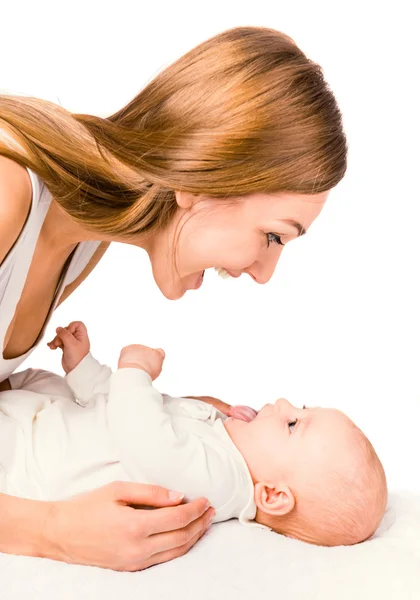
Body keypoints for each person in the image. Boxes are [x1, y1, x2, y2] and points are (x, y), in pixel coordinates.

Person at [0, 25, 347, 569]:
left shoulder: (84, 240)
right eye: (274, 235)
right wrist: (52, 530)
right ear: (202, 176)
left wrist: (177, 421)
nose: (264, 273)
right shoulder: (6, 194)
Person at [0, 321, 387, 549]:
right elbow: (120, 412)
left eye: (293, 424)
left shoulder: (219, 482)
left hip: (28, 455)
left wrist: (133, 370)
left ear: (271, 494)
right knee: (40, 384)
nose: (284, 402)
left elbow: (141, 438)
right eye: (300, 407)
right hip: (61, 419)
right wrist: (84, 369)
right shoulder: (223, 439)